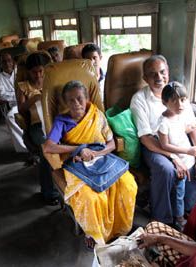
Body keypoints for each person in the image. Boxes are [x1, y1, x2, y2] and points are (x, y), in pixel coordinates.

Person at [43, 80, 138, 249]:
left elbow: (112, 144)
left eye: (79, 98)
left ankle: (120, 230)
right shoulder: (62, 121)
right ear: (65, 102)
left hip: (102, 158)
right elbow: (49, 146)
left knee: (128, 184)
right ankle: (94, 234)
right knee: (91, 197)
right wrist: (79, 149)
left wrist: (96, 153)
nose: (76, 103)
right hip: (76, 163)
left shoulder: (97, 115)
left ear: (87, 98)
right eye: (71, 100)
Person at [130, 55, 196, 226]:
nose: (159, 77)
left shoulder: (178, 93)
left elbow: (193, 128)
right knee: (165, 169)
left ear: (168, 72)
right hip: (156, 145)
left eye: (162, 72)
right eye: (152, 74)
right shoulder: (139, 100)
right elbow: (146, 139)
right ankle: (162, 220)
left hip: (180, 140)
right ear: (145, 78)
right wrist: (173, 156)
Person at [157, 81, 196, 229]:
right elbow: (165, 145)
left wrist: (191, 127)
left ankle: (188, 213)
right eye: (174, 101)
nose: (179, 104)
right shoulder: (163, 122)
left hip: (189, 161)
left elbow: (180, 131)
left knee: (189, 192)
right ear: (165, 102)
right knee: (179, 194)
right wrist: (187, 151)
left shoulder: (179, 115)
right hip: (181, 162)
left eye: (182, 100)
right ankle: (179, 219)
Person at [16, 52, 59, 205]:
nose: (38, 75)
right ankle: (49, 192)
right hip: (36, 126)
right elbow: (20, 110)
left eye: (41, 71)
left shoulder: (51, 82)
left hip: (54, 122)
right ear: (28, 72)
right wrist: (34, 98)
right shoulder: (24, 87)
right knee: (46, 150)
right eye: (34, 72)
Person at [0, 51, 27, 153]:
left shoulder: (20, 73)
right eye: (4, 62)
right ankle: (25, 148)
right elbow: (1, 95)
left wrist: (13, 94)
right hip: (14, 105)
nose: (7, 64)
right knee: (10, 117)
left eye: (9, 61)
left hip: (27, 101)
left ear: (13, 62)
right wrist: (18, 94)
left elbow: (27, 89)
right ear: (1, 64)